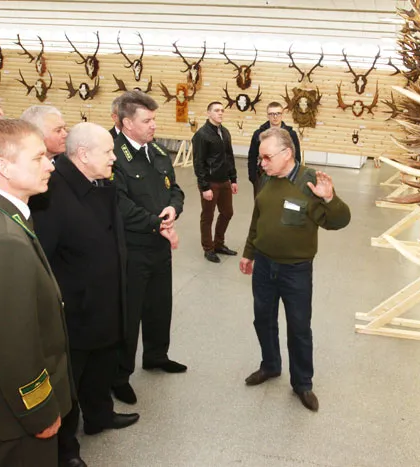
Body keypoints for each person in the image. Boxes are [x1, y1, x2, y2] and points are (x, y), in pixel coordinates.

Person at [0, 118, 75, 466]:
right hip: (17, 416)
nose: (50, 164)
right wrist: (39, 412)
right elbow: (13, 346)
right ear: (3, 166)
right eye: (38, 158)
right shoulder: (2, 238)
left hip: (2, 403)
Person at [31, 123, 139, 461]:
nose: (113, 158)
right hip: (75, 307)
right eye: (108, 152)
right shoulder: (52, 194)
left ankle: (100, 416)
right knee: (69, 381)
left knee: (101, 363)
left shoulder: (99, 181)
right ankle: (66, 448)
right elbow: (43, 258)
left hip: (105, 298)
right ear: (82, 155)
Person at [239, 128, 351, 412]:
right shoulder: (267, 178)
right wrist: (249, 252)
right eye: (261, 158)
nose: (261, 163)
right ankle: (270, 365)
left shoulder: (309, 181)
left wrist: (329, 199)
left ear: (287, 154)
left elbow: (339, 221)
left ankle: (303, 383)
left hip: (296, 270)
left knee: (299, 328)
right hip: (264, 265)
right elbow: (258, 217)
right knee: (262, 320)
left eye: (266, 157)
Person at [112, 91, 185, 405]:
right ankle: (120, 375)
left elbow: (176, 189)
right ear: (127, 123)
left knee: (159, 305)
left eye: (154, 119)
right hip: (132, 248)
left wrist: (173, 210)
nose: (154, 125)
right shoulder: (112, 154)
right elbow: (120, 205)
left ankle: (156, 355)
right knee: (130, 314)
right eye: (148, 120)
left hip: (159, 243)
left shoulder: (156, 151)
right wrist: (157, 223)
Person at [192, 101, 238, 263]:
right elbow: (198, 163)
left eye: (222, 110)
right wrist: (205, 187)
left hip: (224, 181)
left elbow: (230, 157)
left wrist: (233, 179)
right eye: (216, 110)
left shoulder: (225, 132)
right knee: (208, 216)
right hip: (210, 183)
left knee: (227, 213)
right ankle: (208, 248)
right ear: (208, 113)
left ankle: (219, 244)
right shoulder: (201, 135)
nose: (220, 113)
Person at [247, 102, 300, 197]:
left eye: (278, 113)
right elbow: (252, 156)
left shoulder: (291, 134)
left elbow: (296, 157)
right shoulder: (258, 134)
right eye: (271, 114)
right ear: (267, 115)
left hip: (284, 176)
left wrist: (294, 176)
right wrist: (253, 178)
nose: (275, 117)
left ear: (282, 115)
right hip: (263, 174)